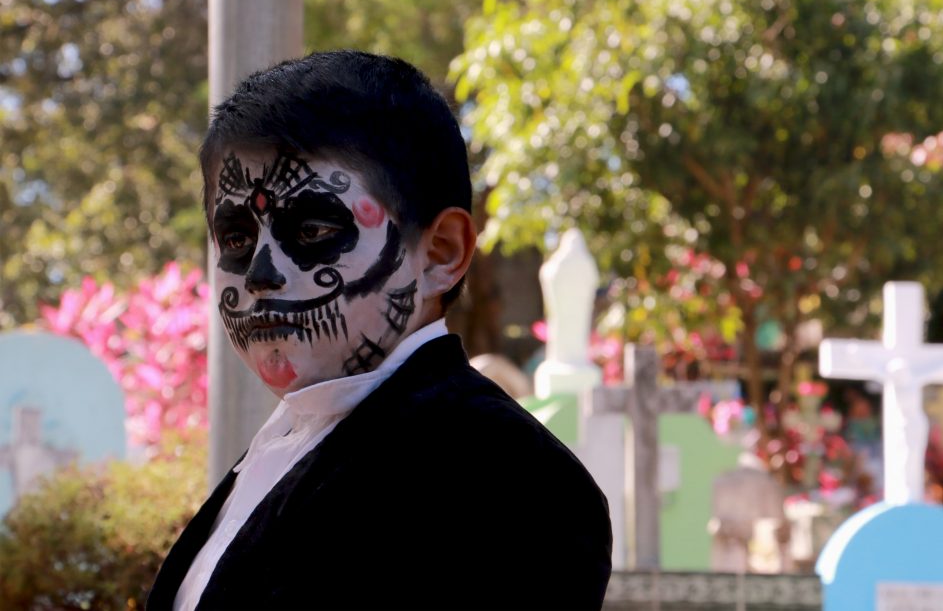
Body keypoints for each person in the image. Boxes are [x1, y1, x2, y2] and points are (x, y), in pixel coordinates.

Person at [147, 51, 612, 610]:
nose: (260, 274)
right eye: (237, 239)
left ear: (440, 253)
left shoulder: (509, 478)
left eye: (312, 229)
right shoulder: (290, 442)